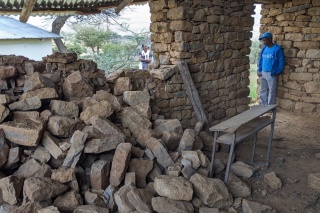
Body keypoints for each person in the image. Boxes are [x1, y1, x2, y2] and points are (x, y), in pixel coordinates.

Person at [257, 32, 285, 105]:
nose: (263, 42)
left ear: (270, 39)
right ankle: (263, 105)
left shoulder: (277, 49)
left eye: (265, 40)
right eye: (262, 40)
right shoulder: (264, 49)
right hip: (263, 72)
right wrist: (259, 70)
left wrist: (277, 71)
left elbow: (281, 62)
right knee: (262, 90)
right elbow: (260, 60)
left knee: (271, 91)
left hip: (271, 73)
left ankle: (270, 107)